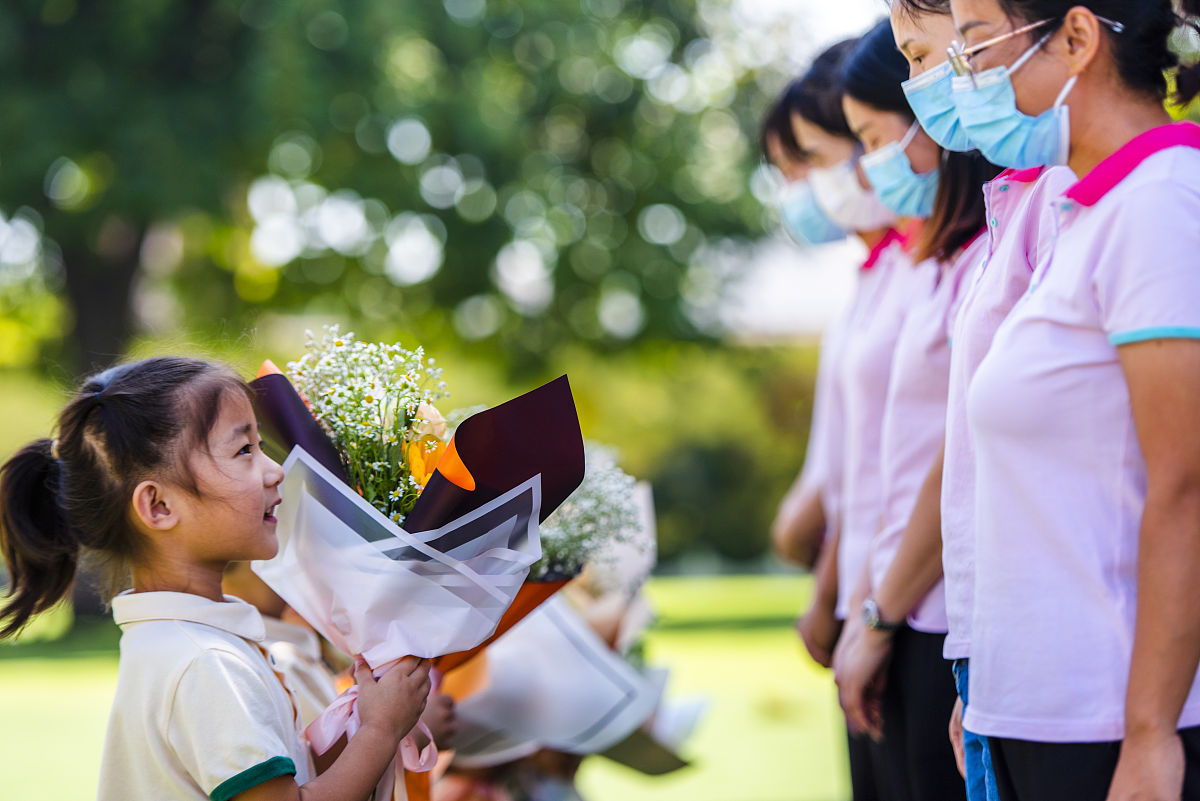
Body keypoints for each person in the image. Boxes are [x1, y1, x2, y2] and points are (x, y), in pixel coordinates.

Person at [942, 1, 1200, 799]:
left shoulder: (1163, 201)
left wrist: (1152, 733)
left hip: (1111, 727)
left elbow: (1187, 485)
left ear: (1078, 38)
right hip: (1037, 717)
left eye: (978, 45)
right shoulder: (1082, 209)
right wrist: (987, 686)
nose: (963, 78)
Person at [834, 4, 1076, 801]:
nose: (935, 82)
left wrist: (879, 616)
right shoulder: (996, 224)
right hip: (975, 643)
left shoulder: (1080, 204)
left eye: (957, 47)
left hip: (1018, 653)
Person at [0, 356, 432, 801]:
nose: (275, 470)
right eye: (244, 451)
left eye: (260, 445)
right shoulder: (204, 663)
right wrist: (380, 729)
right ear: (159, 507)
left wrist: (369, 713)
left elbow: (294, 778)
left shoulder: (197, 643)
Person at [830, 17, 999, 801]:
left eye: (873, 140)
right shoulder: (932, 263)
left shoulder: (980, 255)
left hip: (930, 613)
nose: (868, 169)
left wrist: (877, 615)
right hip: (903, 608)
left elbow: (948, 460)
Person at [781, 36, 921, 801]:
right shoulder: (886, 274)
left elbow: (902, 465)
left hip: (909, 611)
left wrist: (856, 598)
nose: (813, 185)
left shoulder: (925, 266)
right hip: (878, 600)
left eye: (821, 157)